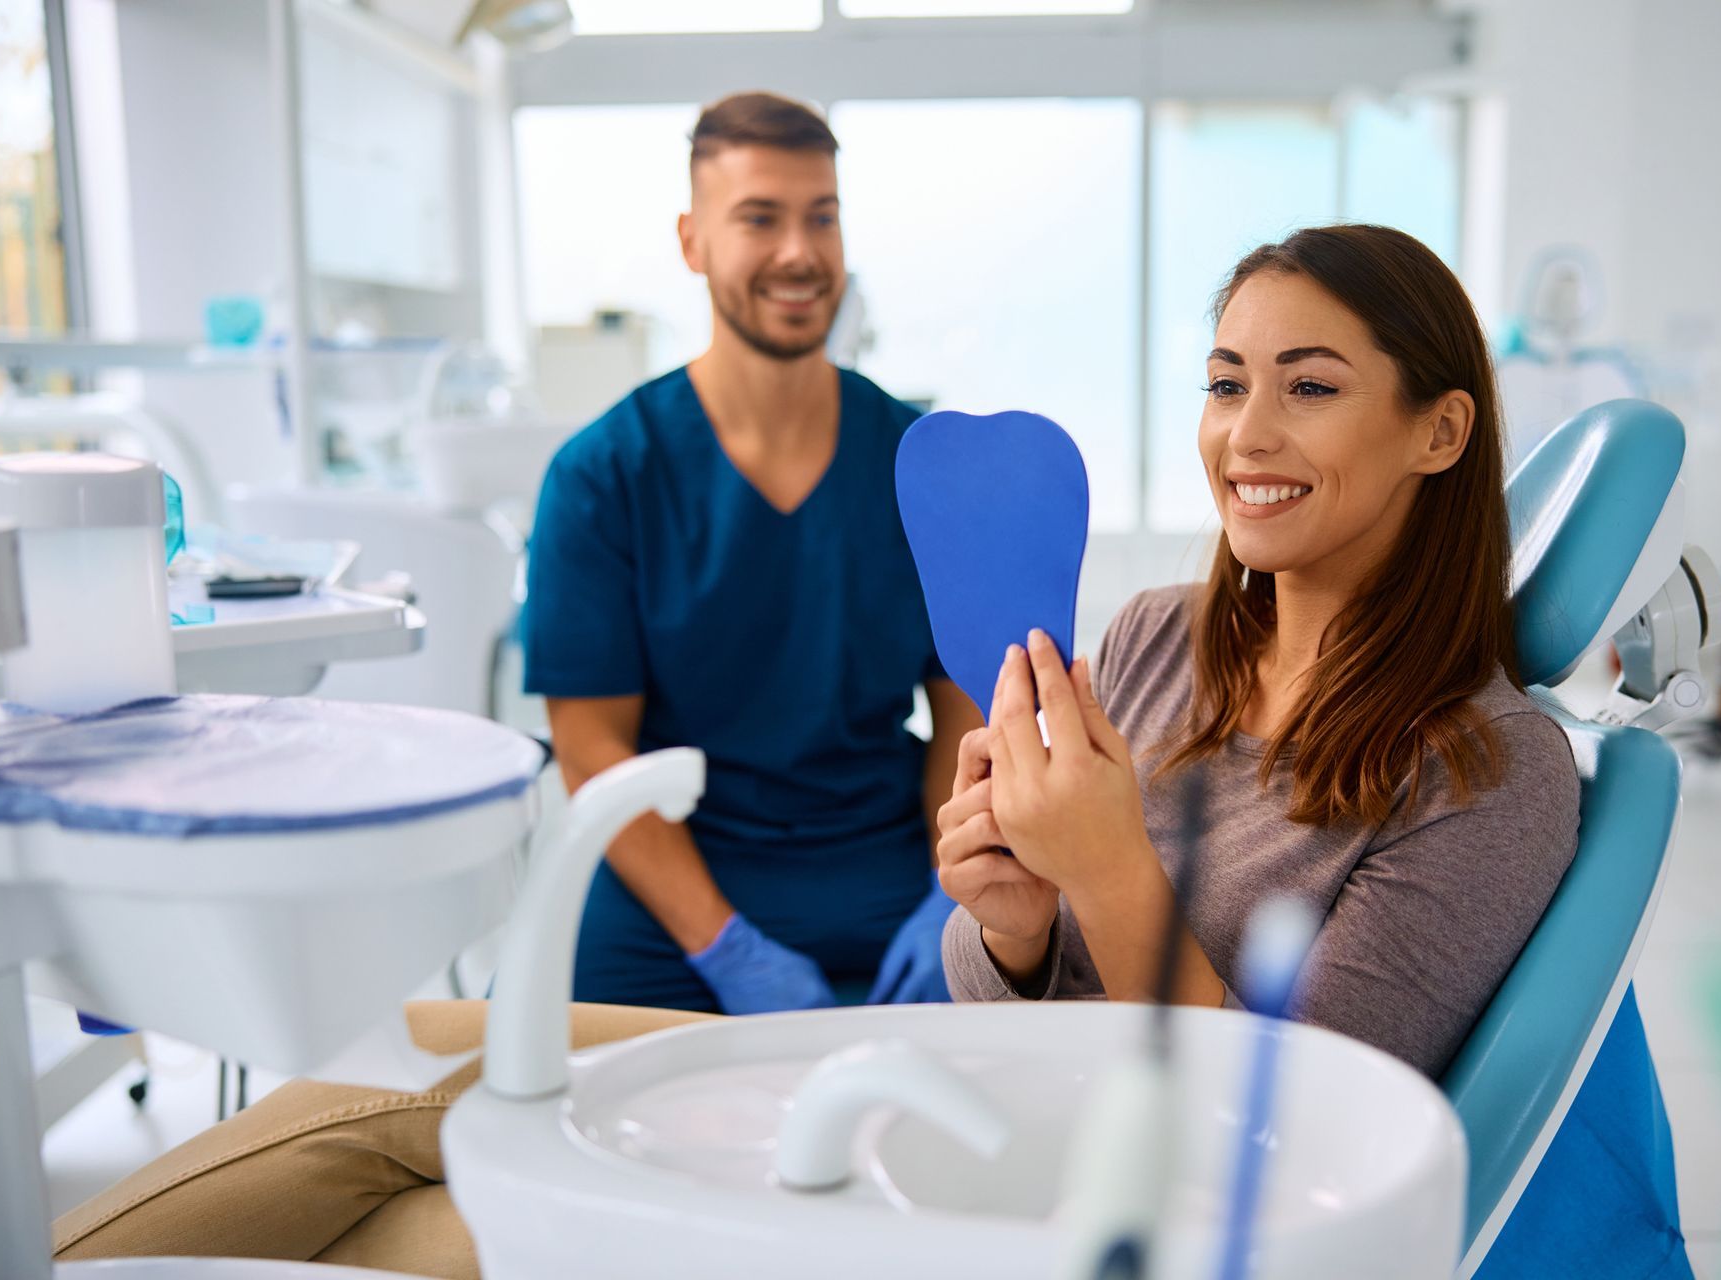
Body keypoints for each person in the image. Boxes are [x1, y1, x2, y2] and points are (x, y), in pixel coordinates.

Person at [936, 224, 1581, 1079]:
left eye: (1309, 386)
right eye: (1226, 385)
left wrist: (1106, 872)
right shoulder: (1155, 637)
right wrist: (1014, 932)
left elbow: (1296, 1115)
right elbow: (1009, 1008)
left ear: (1441, 431)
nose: (1246, 435)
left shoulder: (1489, 769)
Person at [523, 92, 982, 1014]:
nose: (799, 253)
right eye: (759, 219)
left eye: (823, 217)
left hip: (885, 875)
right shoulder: (604, 475)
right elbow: (590, 744)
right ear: (692, 242)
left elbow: (964, 703)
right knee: (534, 1072)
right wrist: (725, 948)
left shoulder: (921, 463)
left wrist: (953, 897)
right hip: (671, 883)